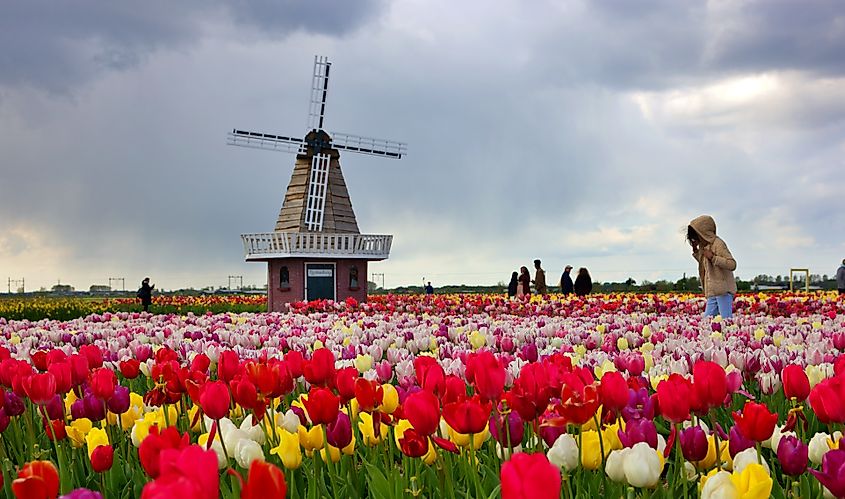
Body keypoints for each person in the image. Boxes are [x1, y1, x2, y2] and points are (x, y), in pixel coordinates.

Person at [687, 215, 737, 319]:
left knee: (726, 320)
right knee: (706, 321)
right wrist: (696, 250)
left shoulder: (718, 244)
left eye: (697, 235)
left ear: (704, 232)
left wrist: (713, 257)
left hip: (723, 291)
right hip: (712, 291)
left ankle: (729, 335)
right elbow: (704, 263)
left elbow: (732, 264)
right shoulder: (704, 246)